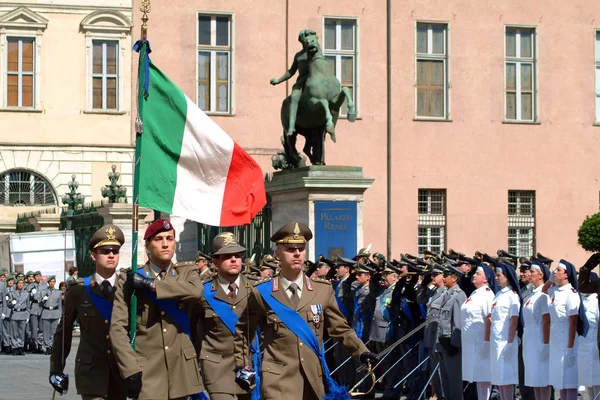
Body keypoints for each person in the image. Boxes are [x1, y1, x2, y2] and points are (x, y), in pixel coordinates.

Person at [233, 221, 377, 400]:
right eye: (290, 249)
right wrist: (242, 366)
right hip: (277, 382)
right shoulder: (262, 292)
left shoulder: (322, 290)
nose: (296, 253)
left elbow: (340, 329)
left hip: (313, 380)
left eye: (301, 249)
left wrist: (362, 352)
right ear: (277, 253)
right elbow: (243, 333)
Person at [110, 219, 204, 400]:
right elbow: (118, 328)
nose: (165, 244)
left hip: (181, 371)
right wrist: (130, 369)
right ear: (147, 245)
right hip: (148, 372)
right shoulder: (129, 278)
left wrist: (151, 285)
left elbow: (196, 292)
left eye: (169, 238)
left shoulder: (186, 273)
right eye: (158, 239)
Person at [50, 225, 128, 399]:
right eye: (105, 251)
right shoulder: (78, 290)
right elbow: (64, 331)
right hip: (91, 371)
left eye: (115, 251)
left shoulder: (127, 288)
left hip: (122, 370)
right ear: (94, 255)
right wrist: (56, 369)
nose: (111, 255)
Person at [192, 232, 256, 400]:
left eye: (237, 255)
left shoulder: (255, 289)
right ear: (215, 262)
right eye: (227, 256)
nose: (234, 259)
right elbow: (194, 330)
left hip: (248, 366)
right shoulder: (203, 292)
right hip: (216, 368)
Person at [544, 259, 586, 400]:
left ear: (567, 275)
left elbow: (573, 322)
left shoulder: (571, 293)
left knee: (569, 380)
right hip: (555, 338)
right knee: (559, 381)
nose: (555, 272)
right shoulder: (555, 291)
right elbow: (544, 290)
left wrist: (570, 348)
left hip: (567, 337)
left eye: (558, 270)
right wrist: (550, 279)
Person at [461, 264, 496, 400]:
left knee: (484, 377)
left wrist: (487, 341)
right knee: (477, 377)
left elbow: (490, 319)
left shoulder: (487, 294)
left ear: (486, 279)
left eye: (478, 274)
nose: (474, 275)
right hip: (472, 343)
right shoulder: (475, 293)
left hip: (481, 342)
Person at [270, 30, 313, 137]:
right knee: (294, 97)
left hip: (314, 81)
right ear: (302, 40)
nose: (307, 41)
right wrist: (278, 80)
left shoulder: (314, 52)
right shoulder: (298, 56)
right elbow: (291, 71)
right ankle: (292, 125)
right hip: (302, 83)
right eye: (305, 38)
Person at [488, 263, 521, 400]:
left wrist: (510, 341)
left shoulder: (512, 296)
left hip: (506, 341)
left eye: (499, 275)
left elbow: (514, 320)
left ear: (507, 277)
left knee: (506, 378)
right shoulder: (498, 295)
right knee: (498, 378)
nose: (496, 278)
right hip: (496, 340)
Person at [521, 260, 552, 400]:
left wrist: (546, 344)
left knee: (542, 378)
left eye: (532, 272)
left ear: (540, 275)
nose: (529, 274)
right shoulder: (532, 294)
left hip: (539, 338)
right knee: (534, 378)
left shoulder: (543, 295)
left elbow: (546, 321)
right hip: (529, 339)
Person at [370, 263, 401, 399]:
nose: (384, 278)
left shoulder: (396, 290)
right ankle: (387, 391)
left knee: (391, 365)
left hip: (388, 333)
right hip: (377, 333)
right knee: (385, 364)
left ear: (395, 277)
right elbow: (372, 290)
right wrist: (375, 276)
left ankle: (391, 393)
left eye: (386, 275)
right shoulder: (384, 290)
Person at [436, 265, 467, 400]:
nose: (443, 278)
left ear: (454, 278)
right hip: (442, 341)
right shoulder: (446, 294)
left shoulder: (459, 295)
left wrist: (455, 344)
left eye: (446, 276)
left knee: (454, 379)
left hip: (451, 343)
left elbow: (458, 322)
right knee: (445, 379)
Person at [417, 263, 446, 400]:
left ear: (443, 276)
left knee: (440, 370)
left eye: (435, 275)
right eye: (432, 275)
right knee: (434, 369)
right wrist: (424, 283)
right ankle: (438, 395)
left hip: (439, 337)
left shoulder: (446, 292)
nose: (432, 277)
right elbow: (420, 299)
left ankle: (441, 396)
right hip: (430, 335)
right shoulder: (433, 291)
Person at [578, 271, 600, 400]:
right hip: (584, 348)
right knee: (588, 383)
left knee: (597, 381)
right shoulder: (582, 301)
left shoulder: (596, 302)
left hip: (595, 347)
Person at [39, 275, 62, 355]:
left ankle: (52, 346)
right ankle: (47, 346)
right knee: (46, 331)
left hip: (55, 313)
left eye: (53, 282)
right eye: (50, 282)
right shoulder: (44, 291)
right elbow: (40, 303)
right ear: (48, 283)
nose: (52, 283)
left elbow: (59, 305)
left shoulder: (58, 292)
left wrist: (60, 315)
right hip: (46, 312)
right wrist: (43, 300)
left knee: (54, 331)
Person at [8, 277, 29, 356]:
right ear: (16, 284)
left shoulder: (26, 294)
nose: (20, 285)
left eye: (22, 283)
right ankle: (15, 347)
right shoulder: (12, 293)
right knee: (14, 332)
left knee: (21, 332)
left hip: (23, 313)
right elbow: (8, 304)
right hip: (15, 313)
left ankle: (20, 347)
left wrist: (27, 315)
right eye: (19, 283)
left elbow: (28, 306)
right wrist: (12, 304)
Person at [1, 275, 14, 354]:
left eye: (12, 281)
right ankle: (7, 345)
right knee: (5, 330)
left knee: (13, 330)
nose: (10, 282)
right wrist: (3, 311)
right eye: (9, 281)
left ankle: (13, 345)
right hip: (6, 311)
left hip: (15, 312)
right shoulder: (4, 289)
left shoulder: (16, 289)